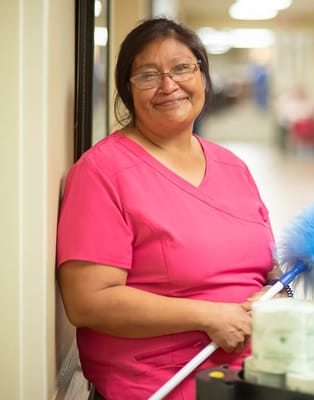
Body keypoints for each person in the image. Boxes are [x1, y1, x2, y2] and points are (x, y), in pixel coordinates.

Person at [56, 17, 287, 400]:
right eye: (148, 75)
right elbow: (88, 301)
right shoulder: (102, 172)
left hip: (255, 369)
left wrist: (278, 296)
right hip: (163, 382)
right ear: (127, 91)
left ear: (202, 75)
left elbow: (264, 268)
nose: (169, 85)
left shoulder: (233, 166)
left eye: (182, 68)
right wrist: (209, 315)